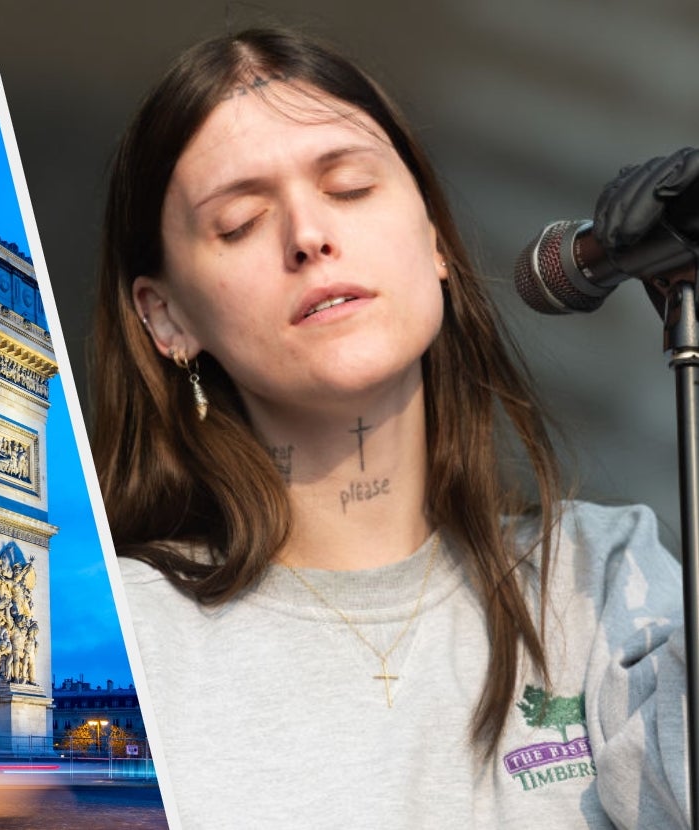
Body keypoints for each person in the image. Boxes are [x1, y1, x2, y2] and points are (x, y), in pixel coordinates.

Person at [90, 27, 692, 828]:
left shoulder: (604, 578)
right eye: (237, 222)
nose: (308, 236)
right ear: (164, 317)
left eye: (348, 187)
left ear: (434, 238)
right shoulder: (130, 629)